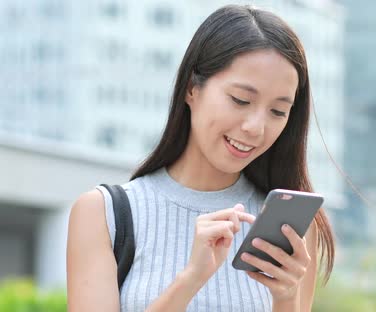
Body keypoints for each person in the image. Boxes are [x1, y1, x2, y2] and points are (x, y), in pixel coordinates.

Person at [66, 4, 335, 312]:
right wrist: (192, 278)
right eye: (240, 100)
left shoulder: (292, 226)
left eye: (277, 111)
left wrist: (286, 299)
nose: (256, 128)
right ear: (192, 89)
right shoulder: (104, 213)